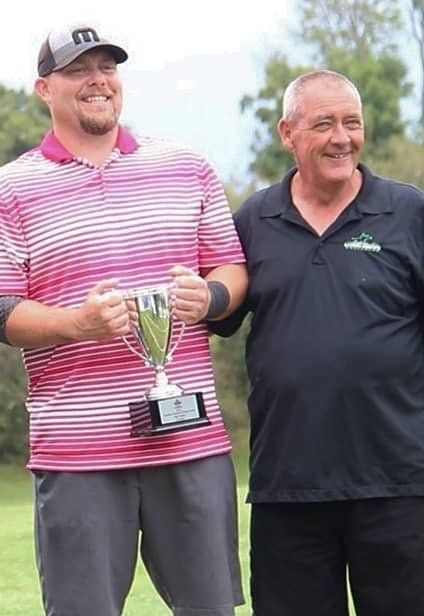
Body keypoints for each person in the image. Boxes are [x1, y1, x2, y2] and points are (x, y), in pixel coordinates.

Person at [0, 26, 249, 616]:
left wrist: (213, 297)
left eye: (107, 67)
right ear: (45, 88)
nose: (97, 80)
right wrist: (76, 325)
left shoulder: (187, 167)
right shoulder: (8, 190)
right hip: (78, 450)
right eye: (78, 70)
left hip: (189, 440)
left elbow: (231, 265)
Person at [209, 70, 424, 616]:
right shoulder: (253, 221)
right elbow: (218, 316)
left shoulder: (408, 213)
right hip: (288, 488)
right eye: (323, 123)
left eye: (352, 123)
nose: (341, 137)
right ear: (287, 133)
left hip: (400, 485)